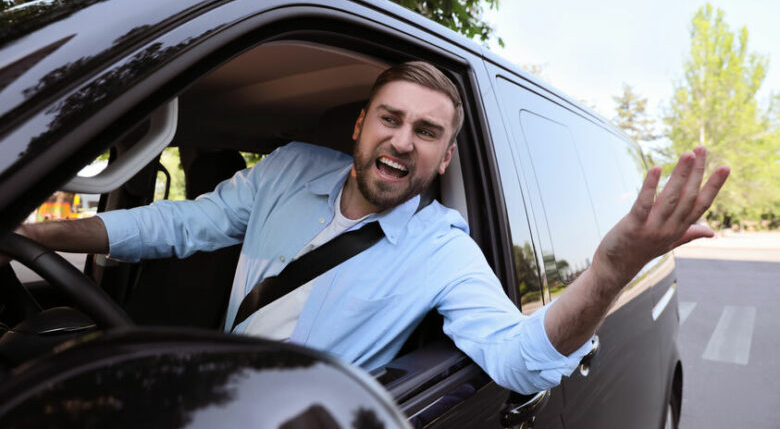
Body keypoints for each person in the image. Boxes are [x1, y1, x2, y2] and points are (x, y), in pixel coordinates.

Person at [3, 61, 730, 395]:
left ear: (445, 156)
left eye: (427, 131)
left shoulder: (443, 249)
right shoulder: (288, 168)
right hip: (214, 400)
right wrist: (41, 236)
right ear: (361, 125)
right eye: (391, 118)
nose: (403, 141)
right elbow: (180, 224)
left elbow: (519, 361)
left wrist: (610, 268)